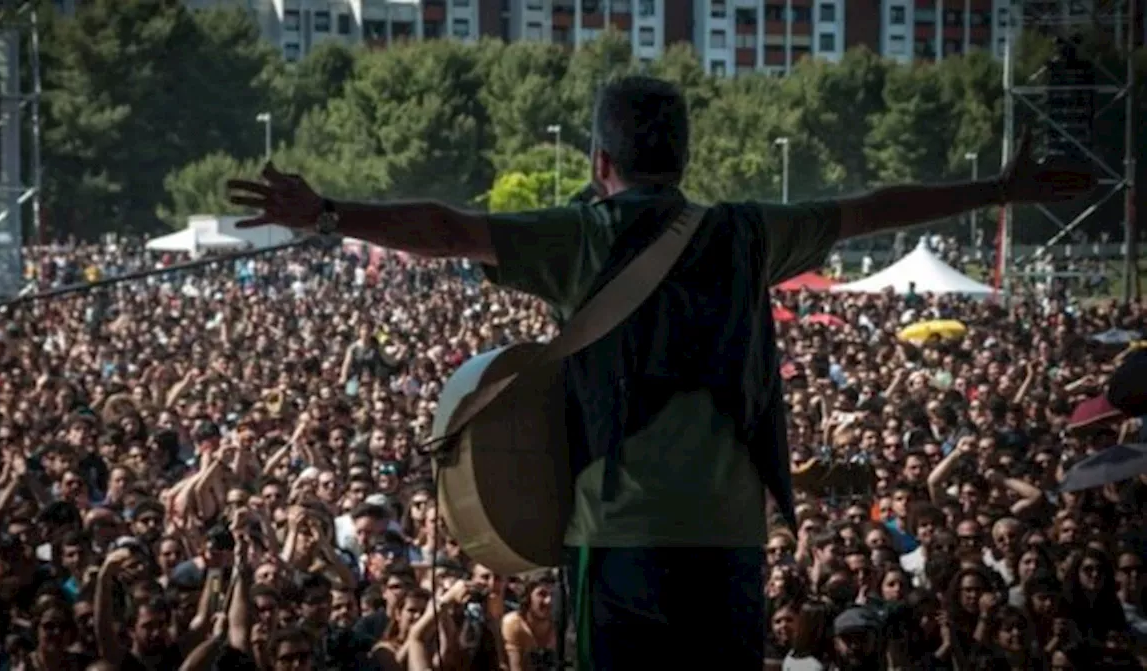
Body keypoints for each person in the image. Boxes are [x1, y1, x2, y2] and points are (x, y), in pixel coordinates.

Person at [227, 76, 1095, 668]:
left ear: (600, 163)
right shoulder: (749, 233)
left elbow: (449, 228)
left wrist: (328, 214)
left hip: (618, 546)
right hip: (728, 544)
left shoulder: (583, 236)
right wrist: (997, 190)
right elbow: (872, 208)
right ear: (682, 158)